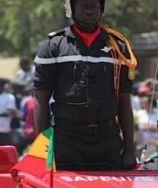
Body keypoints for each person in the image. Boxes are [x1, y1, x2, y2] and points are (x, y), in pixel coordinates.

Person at [33, 0, 137, 170]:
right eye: (83, 6)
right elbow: (40, 98)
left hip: (106, 140)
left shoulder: (118, 47)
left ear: (102, 9)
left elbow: (125, 101)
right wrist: (43, 149)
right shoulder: (53, 46)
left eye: (94, 6)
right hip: (66, 141)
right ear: (72, 9)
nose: (89, 11)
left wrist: (129, 150)